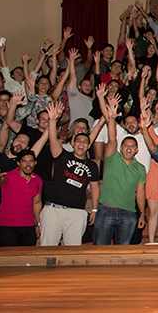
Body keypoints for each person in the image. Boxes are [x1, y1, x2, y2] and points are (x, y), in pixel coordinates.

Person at [40, 99, 99, 246]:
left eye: (85, 142)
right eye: (78, 141)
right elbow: (53, 139)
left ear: (88, 146)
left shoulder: (92, 165)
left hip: (76, 212)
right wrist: (53, 120)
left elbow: (96, 187)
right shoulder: (62, 156)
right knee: (47, 248)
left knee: (72, 252)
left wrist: (95, 209)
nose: (81, 144)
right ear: (72, 142)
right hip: (54, 209)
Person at [94, 93, 146, 245]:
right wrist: (111, 118)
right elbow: (111, 138)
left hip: (128, 214)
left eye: (132, 146)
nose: (129, 148)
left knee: (122, 253)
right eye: (126, 146)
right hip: (106, 211)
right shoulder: (112, 157)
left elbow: (141, 192)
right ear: (121, 148)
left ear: (136, 150)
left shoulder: (140, 168)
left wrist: (142, 214)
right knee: (99, 250)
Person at [0, 150, 42, 246]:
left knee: (27, 258)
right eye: (24, 161)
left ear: (35, 163)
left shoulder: (37, 180)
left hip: (28, 226)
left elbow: (37, 203)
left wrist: (38, 224)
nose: (28, 164)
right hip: (7, 225)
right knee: (8, 258)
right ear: (18, 163)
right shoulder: (9, 176)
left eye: (31, 161)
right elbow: (0, 180)